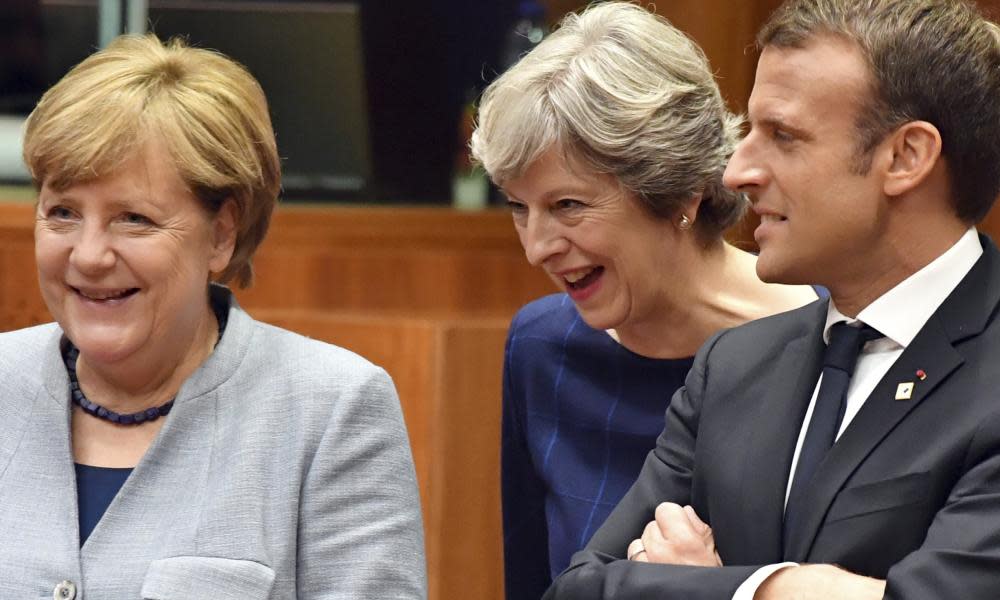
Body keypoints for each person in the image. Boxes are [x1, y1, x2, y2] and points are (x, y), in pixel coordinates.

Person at [544, 0, 1000, 598]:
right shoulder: (734, 365)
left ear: (907, 156)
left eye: (783, 136)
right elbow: (578, 589)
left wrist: (734, 590)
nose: (736, 172)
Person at [1, 34, 426, 599]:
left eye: (133, 218)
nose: (88, 255)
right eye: (62, 213)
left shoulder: (331, 411)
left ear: (221, 235)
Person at [469, 3, 819, 597]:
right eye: (518, 208)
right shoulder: (541, 344)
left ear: (678, 190)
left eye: (567, 206)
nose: (537, 249)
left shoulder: (829, 342)